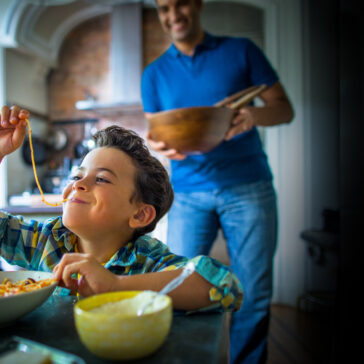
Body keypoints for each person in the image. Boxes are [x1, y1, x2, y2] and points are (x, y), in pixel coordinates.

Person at [141, 0, 294, 362]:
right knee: (177, 285)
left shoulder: (241, 50)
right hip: (189, 193)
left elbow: (284, 108)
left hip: (249, 187)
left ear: (197, 5)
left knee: (253, 295)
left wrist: (252, 116)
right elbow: (155, 134)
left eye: (181, 4)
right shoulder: (154, 73)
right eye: (164, 8)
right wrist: (159, 147)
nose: (173, 15)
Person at [0, 105, 243, 312]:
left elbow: (225, 286)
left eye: (102, 179)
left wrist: (115, 285)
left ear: (139, 214)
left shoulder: (148, 261)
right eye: (76, 176)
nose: (79, 185)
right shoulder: (45, 240)